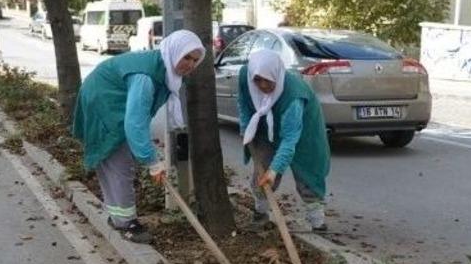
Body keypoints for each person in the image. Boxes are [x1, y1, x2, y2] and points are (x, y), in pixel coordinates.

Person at [72, 30, 205, 244]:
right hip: (103, 102)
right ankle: (126, 224)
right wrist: (152, 161)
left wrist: (147, 155)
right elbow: (135, 123)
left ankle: (117, 217)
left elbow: (140, 118)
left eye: (195, 60)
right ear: (174, 52)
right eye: (186, 57)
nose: (190, 65)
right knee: (119, 163)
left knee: (116, 162)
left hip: (110, 100)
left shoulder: (165, 69)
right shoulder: (146, 77)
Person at [238, 49, 331, 232]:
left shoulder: (293, 95)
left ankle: (317, 222)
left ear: (277, 76)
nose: (263, 85)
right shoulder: (245, 75)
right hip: (264, 127)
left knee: (308, 175)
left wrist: (274, 171)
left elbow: (289, 140)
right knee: (261, 172)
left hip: (304, 132)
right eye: (258, 80)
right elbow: (243, 102)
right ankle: (261, 214)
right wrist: (245, 127)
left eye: (269, 80)